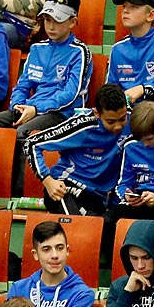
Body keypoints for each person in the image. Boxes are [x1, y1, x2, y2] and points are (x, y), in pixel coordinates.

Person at [0, 0, 89, 140]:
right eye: (48, 19)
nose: (51, 26)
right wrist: (17, 104)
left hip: (62, 114)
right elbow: (23, 85)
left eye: (58, 20)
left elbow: (70, 94)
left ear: (72, 22)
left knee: (22, 133)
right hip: (29, 108)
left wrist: (36, 109)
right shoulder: (37, 49)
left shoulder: (79, 51)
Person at [27, 84, 131, 216]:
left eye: (122, 119)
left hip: (97, 196)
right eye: (110, 122)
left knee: (101, 226)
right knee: (81, 225)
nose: (118, 126)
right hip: (67, 186)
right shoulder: (81, 125)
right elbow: (32, 143)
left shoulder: (132, 121)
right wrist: (47, 180)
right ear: (97, 113)